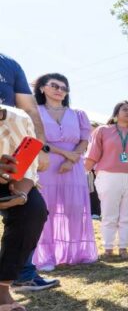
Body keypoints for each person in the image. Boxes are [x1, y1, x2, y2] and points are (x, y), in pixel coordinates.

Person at [0, 53, 59, 292]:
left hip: (9, 157)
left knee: (32, 211)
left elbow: (29, 109)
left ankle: (4, 286)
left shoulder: (9, 65)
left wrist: (41, 147)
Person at [31, 73, 97, 270]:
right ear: (42, 88)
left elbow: (85, 138)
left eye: (64, 87)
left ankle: (75, 253)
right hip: (45, 163)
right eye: (55, 86)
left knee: (74, 209)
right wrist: (64, 154)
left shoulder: (78, 114)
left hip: (74, 166)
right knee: (46, 209)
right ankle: (45, 257)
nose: (60, 90)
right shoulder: (35, 112)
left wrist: (74, 157)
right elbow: (37, 139)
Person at [85, 101, 128, 258]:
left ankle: (123, 248)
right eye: (125, 109)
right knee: (109, 213)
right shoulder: (103, 131)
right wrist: (81, 172)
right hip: (108, 176)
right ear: (116, 113)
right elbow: (92, 154)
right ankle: (108, 248)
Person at [0, 105, 49, 311]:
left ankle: (2, 287)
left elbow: (28, 161)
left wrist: (20, 195)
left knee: (33, 211)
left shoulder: (18, 118)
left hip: (10, 179)